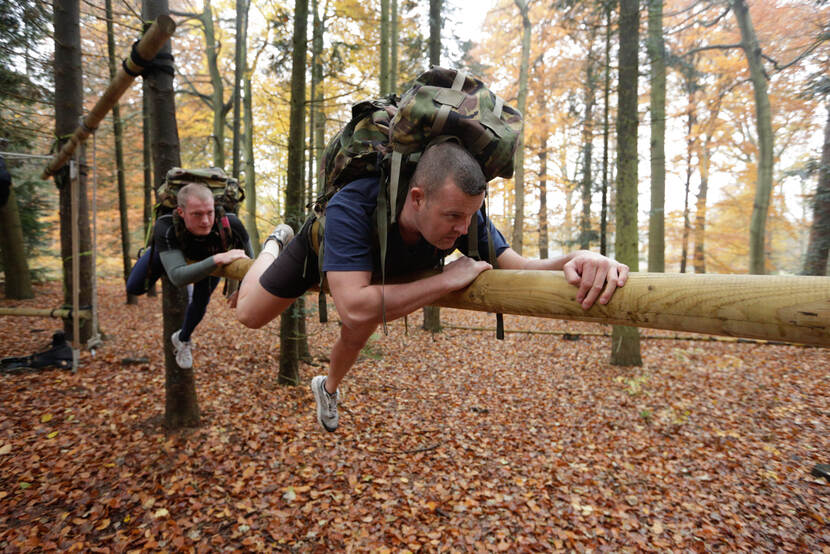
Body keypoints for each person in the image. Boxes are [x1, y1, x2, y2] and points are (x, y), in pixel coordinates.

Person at [236, 142, 629, 432]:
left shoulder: (466, 214)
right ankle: (273, 244)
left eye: (470, 216)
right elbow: (353, 305)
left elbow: (523, 266)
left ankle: (328, 386)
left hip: (378, 273)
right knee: (250, 315)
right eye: (453, 216)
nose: (464, 228)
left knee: (357, 335)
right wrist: (446, 279)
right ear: (417, 198)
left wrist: (578, 257)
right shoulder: (352, 206)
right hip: (322, 251)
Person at [127, 183, 252, 368]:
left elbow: (252, 262)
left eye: (209, 212)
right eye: (197, 214)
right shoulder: (166, 225)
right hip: (175, 251)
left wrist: (243, 289)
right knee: (135, 287)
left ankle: (182, 339)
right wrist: (218, 259)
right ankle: (167, 257)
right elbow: (177, 277)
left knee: (201, 301)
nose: (205, 221)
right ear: (181, 212)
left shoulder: (230, 223)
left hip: (209, 254)